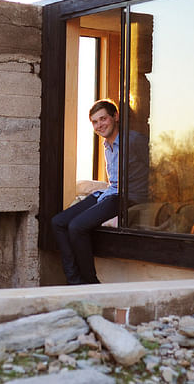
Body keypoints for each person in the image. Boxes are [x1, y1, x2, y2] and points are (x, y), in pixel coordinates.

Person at [51, 99, 148, 284]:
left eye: (103, 119)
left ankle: (90, 283)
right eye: (95, 122)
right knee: (58, 222)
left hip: (128, 196)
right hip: (110, 193)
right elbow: (113, 182)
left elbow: (158, 168)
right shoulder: (107, 146)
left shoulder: (134, 140)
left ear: (115, 117)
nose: (99, 125)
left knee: (77, 226)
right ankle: (74, 281)